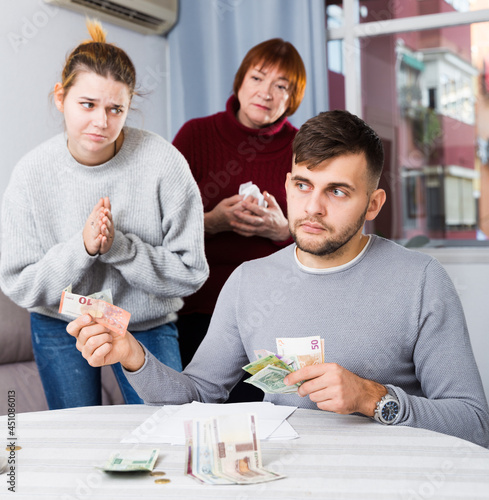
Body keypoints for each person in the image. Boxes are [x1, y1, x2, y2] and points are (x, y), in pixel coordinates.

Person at [67, 110, 489, 448]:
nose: (314, 208)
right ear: (286, 184)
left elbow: (474, 423)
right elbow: (197, 394)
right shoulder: (248, 282)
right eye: (303, 185)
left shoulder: (421, 281)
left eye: (337, 192)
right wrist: (132, 355)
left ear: (373, 203)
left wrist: (369, 397)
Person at [0, 20, 209, 410]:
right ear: (60, 97)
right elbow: (18, 283)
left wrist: (119, 247)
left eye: (116, 109)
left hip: (143, 323)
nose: (102, 121)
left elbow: (191, 272)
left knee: (167, 427)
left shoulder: (164, 164)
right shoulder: (31, 173)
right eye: (88, 105)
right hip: (59, 323)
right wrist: (82, 246)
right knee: (77, 438)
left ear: (129, 107)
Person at [172, 38, 307, 386]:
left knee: (272, 411)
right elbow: (157, 227)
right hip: (198, 306)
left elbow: (327, 231)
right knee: (200, 409)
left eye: (282, 86)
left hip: (274, 310)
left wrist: (284, 231)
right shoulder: (195, 135)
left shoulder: (302, 148)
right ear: (240, 81)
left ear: (292, 99)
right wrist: (211, 223)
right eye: (257, 79)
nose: (267, 93)